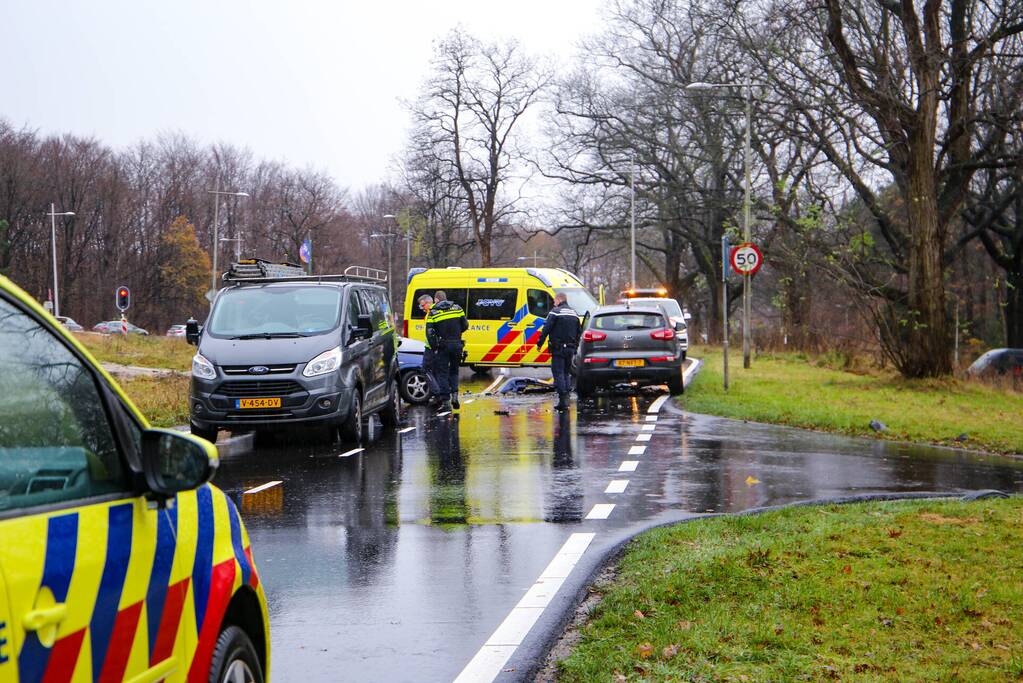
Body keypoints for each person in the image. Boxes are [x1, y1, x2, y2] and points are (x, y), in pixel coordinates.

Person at [537, 292, 581, 411]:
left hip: (558, 348)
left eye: (554, 301)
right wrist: (575, 347)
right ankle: (566, 399)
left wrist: (539, 343)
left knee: (558, 372)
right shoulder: (574, 313)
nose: (553, 303)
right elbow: (579, 332)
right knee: (566, 372)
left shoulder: (555, 312)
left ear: (559, 299)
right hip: (570, 349)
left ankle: (563, 400)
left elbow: (546, 329)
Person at [425, 289, 468, 412]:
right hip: (457, 344)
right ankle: (455, 395)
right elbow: (465, 325)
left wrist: (434, 347)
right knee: (454, 371)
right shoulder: (458, 308)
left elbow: (429, 333)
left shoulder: (433, 312)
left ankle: (446, 401)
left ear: (436, 300)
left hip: (443, 346)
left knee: (442, 373)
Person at [417, 294, 441, 403]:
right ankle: (437, 395)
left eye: (423, 305)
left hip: (431, 348)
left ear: (429, 303)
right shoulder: (431, 312)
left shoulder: (432, 313)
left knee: (425, 370)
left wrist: (433, 347)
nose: (422, 308)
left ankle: (436, 392)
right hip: (432, 347)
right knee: (435, 370)